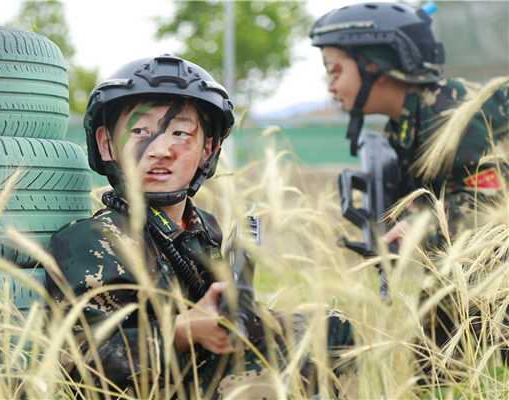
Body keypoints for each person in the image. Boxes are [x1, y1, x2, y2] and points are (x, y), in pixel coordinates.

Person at [46, 54, 356, 399]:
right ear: (106, 144)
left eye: (180, 133)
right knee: (277, 366)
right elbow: (81, 363)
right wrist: (182, 331)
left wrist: (242, 316)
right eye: (140, 131)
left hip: (203, 374)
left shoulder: (202, 227)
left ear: (208, 149)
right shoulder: (91, 240)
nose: (160, 149)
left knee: (333, 326)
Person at [309, 0, 509, 384]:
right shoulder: (403, 125)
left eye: (335, 70)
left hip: (490, 264)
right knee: (432, 373)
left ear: (376, 65)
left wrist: (422, 226)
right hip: (464, 270)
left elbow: (490, 207)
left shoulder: (455, 114)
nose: (329, 83)